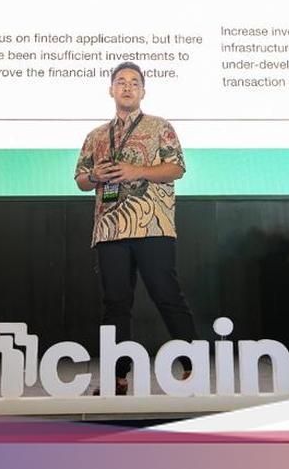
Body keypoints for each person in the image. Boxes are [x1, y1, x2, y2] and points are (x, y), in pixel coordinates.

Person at [74, 62, 198, 395]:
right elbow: (81, 180)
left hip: (152, 224)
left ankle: (193, 368)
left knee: (166, 295)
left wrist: (136, 171)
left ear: (143, 91)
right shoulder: (96, 136)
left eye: (134, 82)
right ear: (111, 90)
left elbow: (176, 168)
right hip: (110, 229)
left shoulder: (160, 127)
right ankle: (117, 379)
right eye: (121, 82)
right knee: (115, 304)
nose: (127, 87)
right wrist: (96, 176)